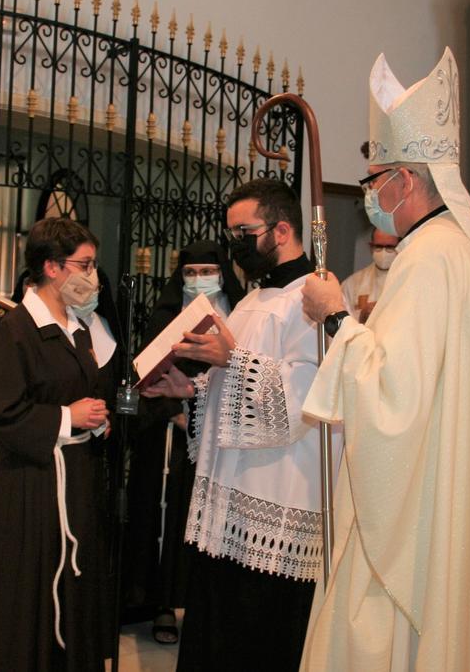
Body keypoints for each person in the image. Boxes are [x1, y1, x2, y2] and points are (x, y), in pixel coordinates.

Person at [294, 48, 470, 670]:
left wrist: (333, 314)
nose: (370, 193)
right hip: (445, 480)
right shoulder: (468, 253)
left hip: (417, 503)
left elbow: (393, 394)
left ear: (408, 180)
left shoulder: (428, 257)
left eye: (375, 180)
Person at [142, 178, 336, 670]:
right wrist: (191, 391)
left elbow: (309, 402)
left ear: (283, 229)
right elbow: (235, 392)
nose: (235, 244)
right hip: (229, 504)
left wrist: (234, 359)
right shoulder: (251, 302)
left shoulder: (315, 301)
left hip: (275, 499)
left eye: (243, 232)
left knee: (256, 640)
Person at [0, 217, 116, 671]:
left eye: (93, 264)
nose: (92, 275)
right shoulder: (16, 329)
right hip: (29, 488)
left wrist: (98, 418)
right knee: (27, 594)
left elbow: (85, 389)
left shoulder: (81, 324)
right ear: (51, 267)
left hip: (76, 479)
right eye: (84, 265)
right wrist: (69, 417)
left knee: (73, 587)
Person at [122, 240, 244, 644]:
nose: (198, 280)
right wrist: (174, 412)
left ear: (222, 273)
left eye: (206, 271)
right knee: (170, 520)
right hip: (172, 438)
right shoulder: (165, 315)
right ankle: (163, 604)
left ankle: (204, 605)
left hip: (224, 438)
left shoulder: (241, 315)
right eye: (189, 273)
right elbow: (148, 374)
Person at [341, 228, 400, 323]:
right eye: (378, 246)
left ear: (400, 247)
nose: (383, 252)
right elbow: (341, 322)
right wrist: (362, 316)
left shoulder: (407, 278)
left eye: (389, 247)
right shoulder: (352, 284)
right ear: (371, 247)